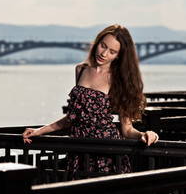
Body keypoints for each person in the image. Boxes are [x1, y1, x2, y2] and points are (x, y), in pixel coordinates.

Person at [22, 24, 159, 178]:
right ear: (97, 42)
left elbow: (126, 130)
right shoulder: (81, 70)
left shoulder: (118, 79)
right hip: (78, 150)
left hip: (105, 152)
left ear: (118, 55)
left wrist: (144, 134)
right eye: (103, 46)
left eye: (112, 51)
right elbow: (72, 117)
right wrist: (39, 131)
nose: (104, 53)